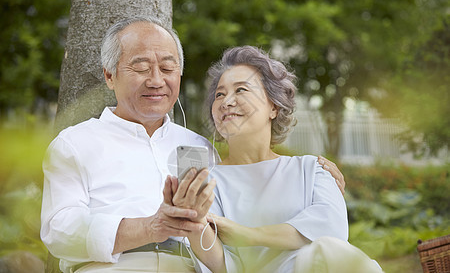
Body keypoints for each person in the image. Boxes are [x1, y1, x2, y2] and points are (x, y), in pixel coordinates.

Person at [41, 16, 346, 273]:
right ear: (110, 76)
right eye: (141, 67)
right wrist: (150, 227)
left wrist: (312, 168)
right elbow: (58, 231)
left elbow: (247, 188)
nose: (156, 80)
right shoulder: (75, 143)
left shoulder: (199, 147)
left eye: (167, 68)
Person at [169, 45, 381, 272]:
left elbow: (332, 229)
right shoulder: (208, 183)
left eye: (240, 90)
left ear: (273, 106)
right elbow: (225, 266)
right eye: (219, 94)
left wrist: (248, 235)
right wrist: (194, 225)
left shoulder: (312, 169)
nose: (226, 101)